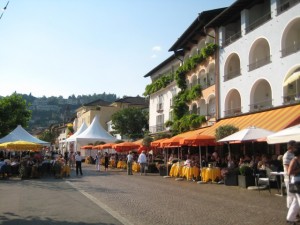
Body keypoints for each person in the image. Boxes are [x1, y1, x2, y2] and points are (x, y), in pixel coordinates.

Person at [286, 147, 300, 224]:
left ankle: (290, 219)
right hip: (297, 183)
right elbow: (289, 172)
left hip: (298, 182)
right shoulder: (294, 160)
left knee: (296, 203)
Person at [283, 140, 297, 208]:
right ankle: (290, 211)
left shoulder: (294, 154)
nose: (296, 147)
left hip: (294, 178)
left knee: (294, 195)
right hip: (289, 178)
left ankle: (294, 212)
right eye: (295, 146)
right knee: (290, 195)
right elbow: (288, 169)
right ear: (290, 147)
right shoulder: (287, 155)